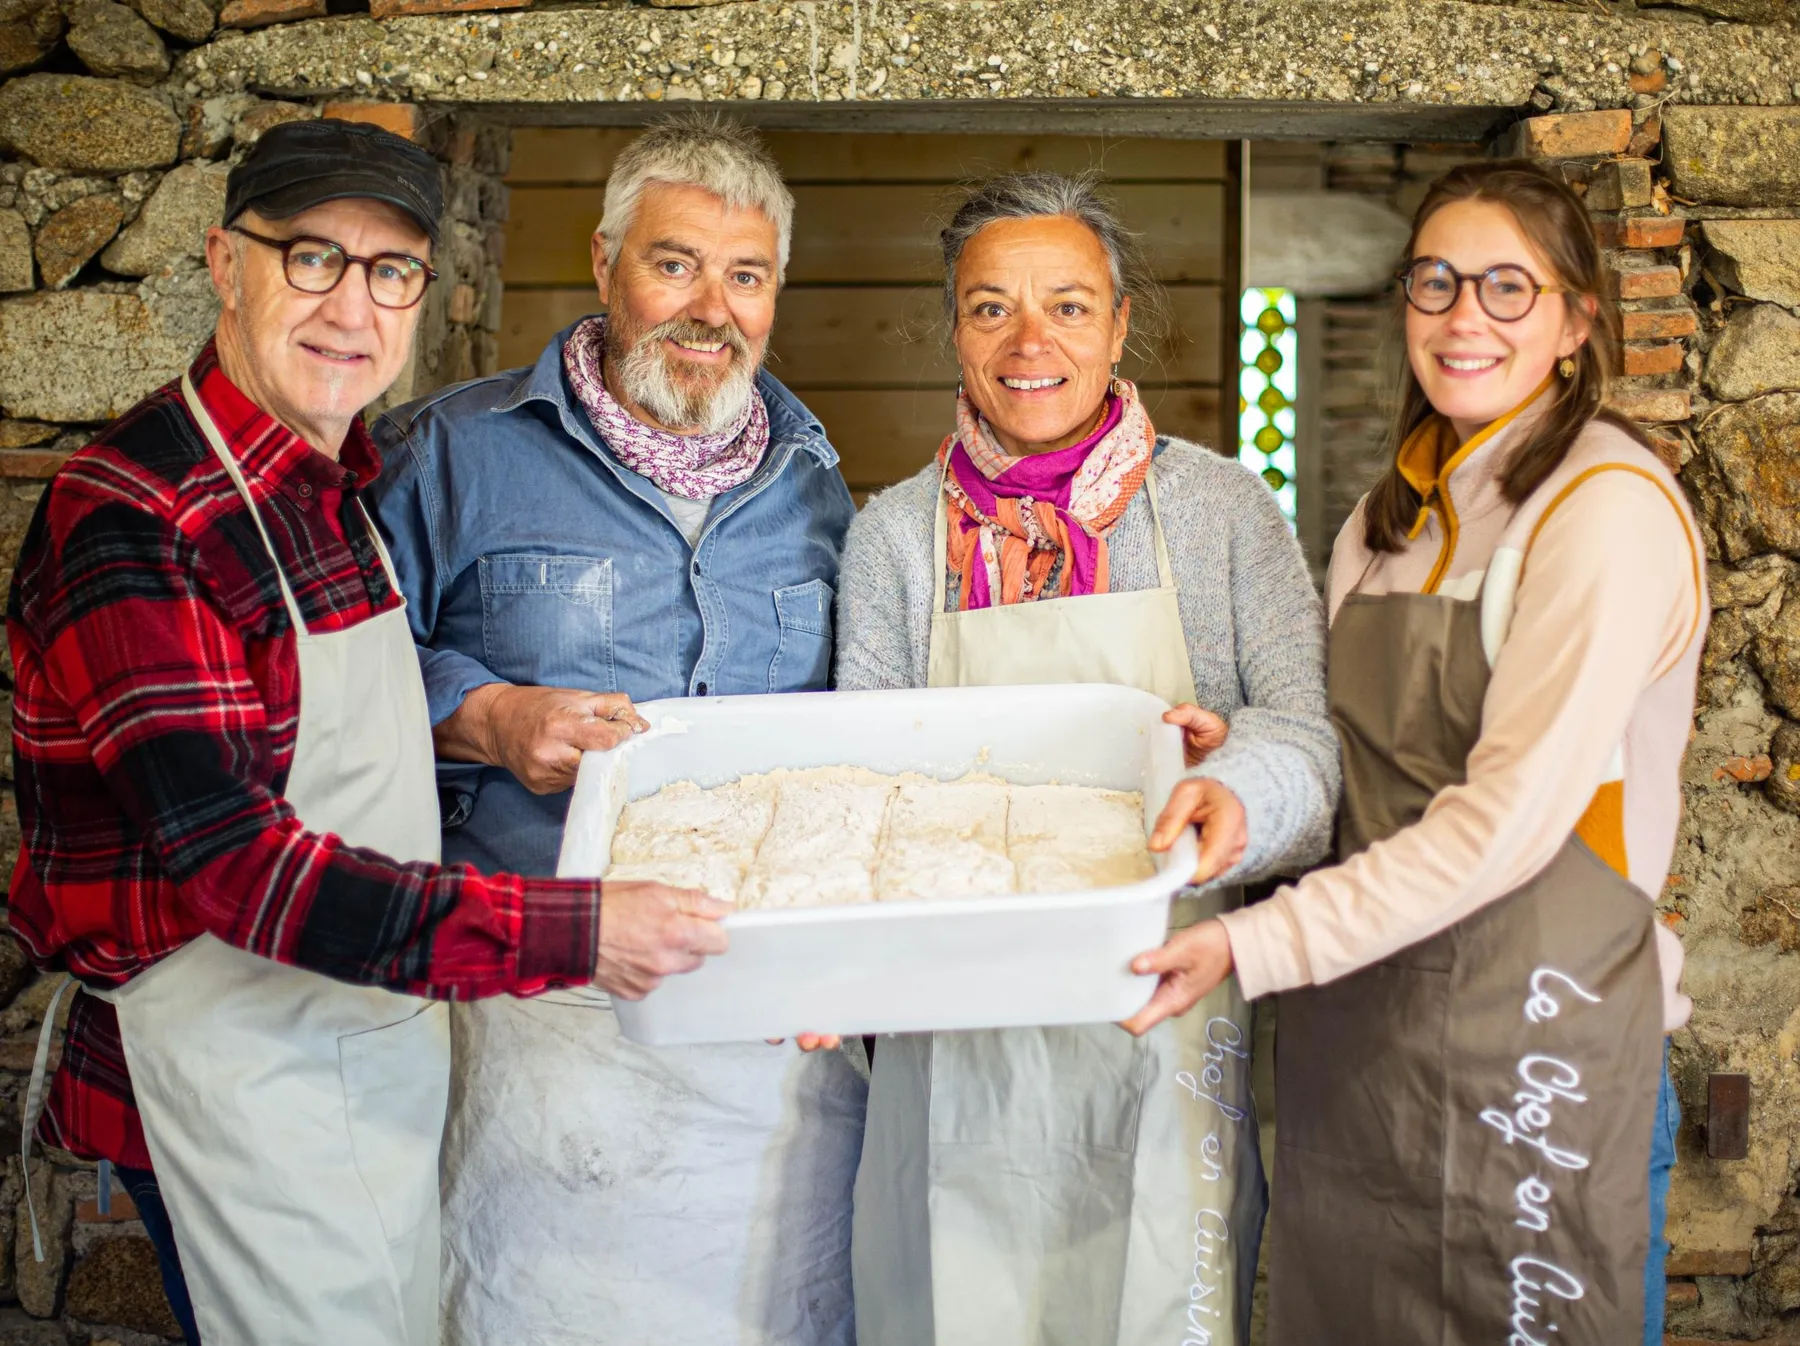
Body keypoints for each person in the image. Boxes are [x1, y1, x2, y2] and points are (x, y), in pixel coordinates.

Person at [6, 117, 725, 1346]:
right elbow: (244, 873)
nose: (354, 305)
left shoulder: (335, 487)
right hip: (233, 1080)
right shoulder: (135, 518)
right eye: (312, 258)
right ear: (227, 264)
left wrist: (498, 724)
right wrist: (582, 928)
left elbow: (339, 743)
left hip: (371, 1044)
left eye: (391, 271)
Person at [1127, 161, 1700, 1346]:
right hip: (1372, 1053)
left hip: (1534, 1047)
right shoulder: (1384, 521)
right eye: (1434, 283)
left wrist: (1251, 940)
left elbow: (1511, 817)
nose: (1462, 317)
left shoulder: (1605, 510)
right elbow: (1367, 762)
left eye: (1506, 287)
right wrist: (1251, 757)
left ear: (1577, 319)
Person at [367, 113, 864, 1345]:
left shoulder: (815, 481)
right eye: (675, 262)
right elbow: (339, 674)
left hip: (766, 1029)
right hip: (537, 1013)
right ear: (604, 265)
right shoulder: (453, 451)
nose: (712, 307)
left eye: (745, 275)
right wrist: (484, 714)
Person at [831, 172, 1339, 1346]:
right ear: (953, 329)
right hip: (952, 1024)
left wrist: (1233, 783)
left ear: (1118, 325)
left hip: (1160, 1009)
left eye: (1067, 306)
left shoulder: (1222, 512)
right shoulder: (896, 536)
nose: (1029, 341)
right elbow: (862, 781)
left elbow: (1305, 738)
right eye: (990, 307)